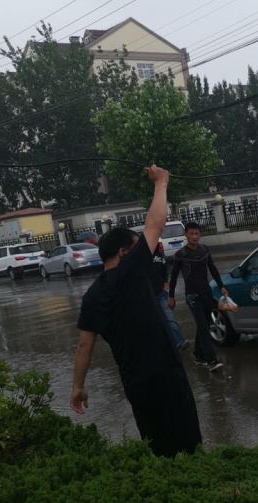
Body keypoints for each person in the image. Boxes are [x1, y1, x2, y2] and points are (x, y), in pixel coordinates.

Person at [70, 165, 202, 457]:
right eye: (137, 246)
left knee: (155, 443)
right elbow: (154, 224)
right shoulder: (130, 271)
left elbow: (84, 346)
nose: (149, 249)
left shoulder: (92, 296)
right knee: (188, 442)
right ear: (123, 253)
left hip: (134, 381)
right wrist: (161, 183)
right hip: (165, 373)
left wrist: (78, 386)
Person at [168, 222, 229, 372]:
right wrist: (171, 296)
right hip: (192, 295)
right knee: (203, 326)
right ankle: (211, 360)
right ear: (186, 235)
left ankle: (198, 354)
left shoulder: (205, 250)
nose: (195, 237)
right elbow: (174, 277)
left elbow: (213, 268)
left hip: (206, 292)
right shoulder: (180, 255)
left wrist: (221, 286)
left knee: (205, 325)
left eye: (197, 234)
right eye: (191, 234)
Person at [150, 239, 187, 351]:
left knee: (170, 318)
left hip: (161, 293)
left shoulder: (159, 256)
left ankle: (180, 342)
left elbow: (164, 270)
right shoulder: (141, 258)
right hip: (148, 296)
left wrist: (166, 282)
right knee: (154, 322)